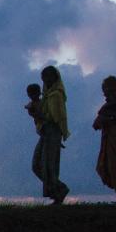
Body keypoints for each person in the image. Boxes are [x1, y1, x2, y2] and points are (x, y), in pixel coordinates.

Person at [33, 66, 70, 204]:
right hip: (45, 132)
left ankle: (58, 193)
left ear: (54, 78)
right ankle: (59, 189)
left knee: (48, 165)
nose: (46, 81)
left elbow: (56, 118)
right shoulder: (47, 96)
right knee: (37, 165)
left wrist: (38, 114)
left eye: (48, 78)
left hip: (52, 132)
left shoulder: (56, 95)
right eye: (44, 78)